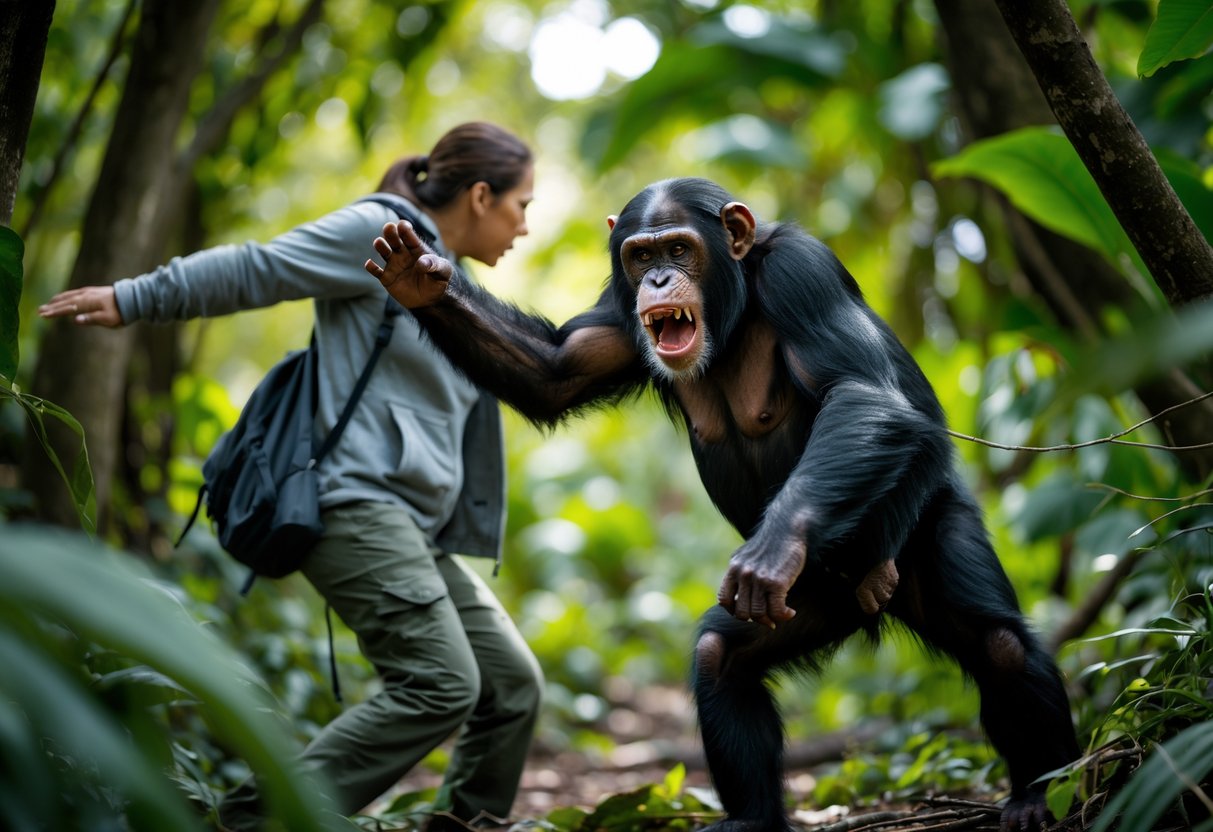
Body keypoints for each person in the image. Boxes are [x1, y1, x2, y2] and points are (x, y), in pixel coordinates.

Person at [38, 122, 543, 830]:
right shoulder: (384, 235)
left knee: (511, 684)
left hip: (414, 527)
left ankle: (464, 822)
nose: (525, 226)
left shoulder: (455, 286)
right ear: (482, 195)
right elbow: (261, 266)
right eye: (523, 204)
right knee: (440, 683)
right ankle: (250, 824)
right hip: (353, 501)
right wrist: (136, 297)